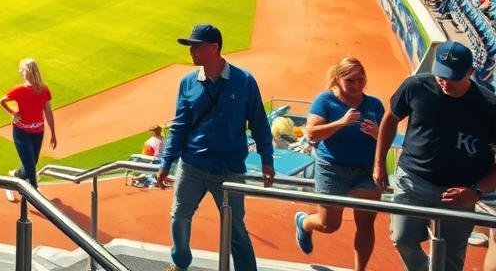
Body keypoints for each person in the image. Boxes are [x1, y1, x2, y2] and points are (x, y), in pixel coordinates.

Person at [157, 24, 274, 271]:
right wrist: (166, 163)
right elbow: (179, 126)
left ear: (214, 47)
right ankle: (181, 262)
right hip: (192, 167)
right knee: (179, 218)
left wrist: (267, 160)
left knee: (236, 232)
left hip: (229, 170)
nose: (191, 51)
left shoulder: (244, 81)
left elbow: (259, 123)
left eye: (196, 46)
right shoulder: (187, 83)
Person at [373, 41, 496, 271]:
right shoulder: (416, 86)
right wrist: (379, 163)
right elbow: (390, 118)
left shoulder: (490, 107)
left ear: (471, 72)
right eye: (441, 75)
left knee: (451, 256)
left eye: (453, 77)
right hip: (413, 180)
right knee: (402, 237)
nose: (445, 82)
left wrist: (476, 191)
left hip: (461, 191)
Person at [293, 57, 385, 271]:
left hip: (366, 171)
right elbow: (312, 134)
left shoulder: (374, 104)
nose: (356, 85)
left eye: (360, 80)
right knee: (329, 225)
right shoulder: (325, 100)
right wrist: (341, 123)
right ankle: (304, 223)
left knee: (365, 224)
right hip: (332, 169)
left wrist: (376, 133)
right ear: (337, 80)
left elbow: (385, 138)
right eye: (350, 81)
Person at [0, 57, 56, 204]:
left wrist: (53, 133)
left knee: (31, 164)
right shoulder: (20, 90)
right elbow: (1, 101)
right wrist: (13, 113)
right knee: (31, 169)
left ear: (29, 71)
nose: (20, 72)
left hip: (38, 133)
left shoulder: (44, 90)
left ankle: (13, 177)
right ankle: (35, 194)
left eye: (22, 69)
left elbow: (48, 111)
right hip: (21, 133)